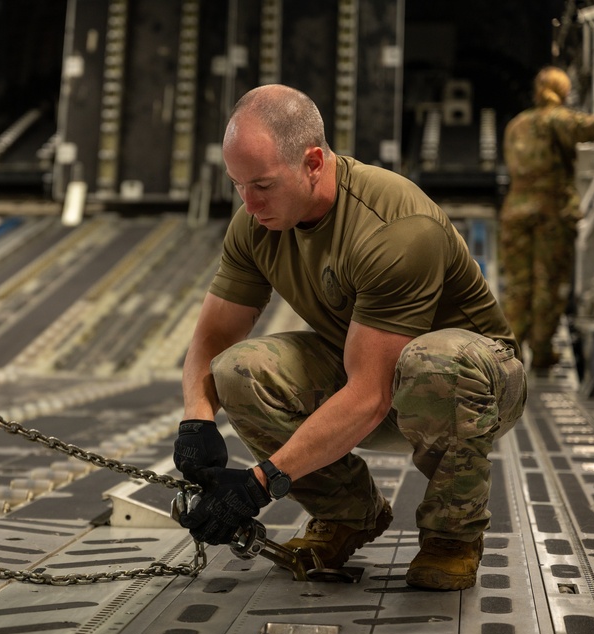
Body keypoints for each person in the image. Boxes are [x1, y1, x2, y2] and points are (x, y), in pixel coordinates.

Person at [173, 84, 527, 591]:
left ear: (314, 162)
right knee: (239, 370)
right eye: (237, 185)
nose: (249, 204)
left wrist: (258, 484)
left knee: (434, 363)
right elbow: (212, 340)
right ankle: (346, 515)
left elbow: (369, 396)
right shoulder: (256, 225)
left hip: (473, 387)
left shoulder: (394, 228)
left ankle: (453, 535)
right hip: (375, 376)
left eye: (264, 186)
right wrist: (197, 420)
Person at [499, 66, 594, 370]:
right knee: (548, 283)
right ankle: (541, 353)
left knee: (517, 285)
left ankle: (507, 357)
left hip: (515, 211)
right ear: (563, 90)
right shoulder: (558, 119)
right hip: (551, 212)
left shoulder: (517, 124)